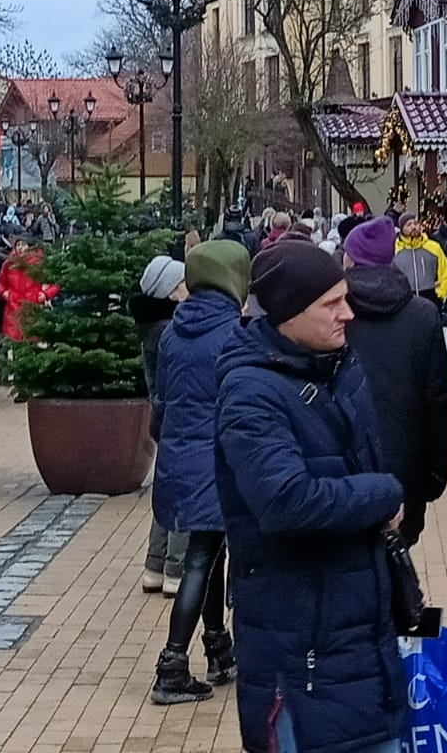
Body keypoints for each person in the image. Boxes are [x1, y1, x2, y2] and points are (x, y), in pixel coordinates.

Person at [213, 239, 406, 753]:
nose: (348, 314)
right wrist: (384, 494)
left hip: (361, 645)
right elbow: (286, 501)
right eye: (330, 304)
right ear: (287, 313)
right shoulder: (250, 393)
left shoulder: (337, 368)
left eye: (345, 297)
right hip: (303, 662)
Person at [149, 241, 251, 705]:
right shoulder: (235, 332)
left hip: (179, 458)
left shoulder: (174, 332)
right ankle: (172, 665)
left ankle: (218, 650)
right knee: (201, 560)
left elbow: (162, 404)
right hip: (217, 462)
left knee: (208, 556)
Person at [342, 217, 447, 546]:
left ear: (351, 258)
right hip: (406, 461)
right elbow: (437, 398)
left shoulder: (334, 310)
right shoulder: (421, 314)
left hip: (344, 464)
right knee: (397, 554)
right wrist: (435, 470)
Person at [134, 255, 189, 596]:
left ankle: (155, 564)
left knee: (169, 491)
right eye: (184, 285)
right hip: (180, 419)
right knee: (186, 493)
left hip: (165, 418)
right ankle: (176, 568)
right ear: (170, 292)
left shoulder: (153, 327)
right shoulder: (169, 331)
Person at [392, 212, 447, 308]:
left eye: (415, 223)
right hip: (404, 302)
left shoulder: (434, 247)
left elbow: (445, 274)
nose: (413, 227)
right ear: (402, 228)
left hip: (430, 299)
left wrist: (440, 297)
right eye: (409, 224)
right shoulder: (394, 251)